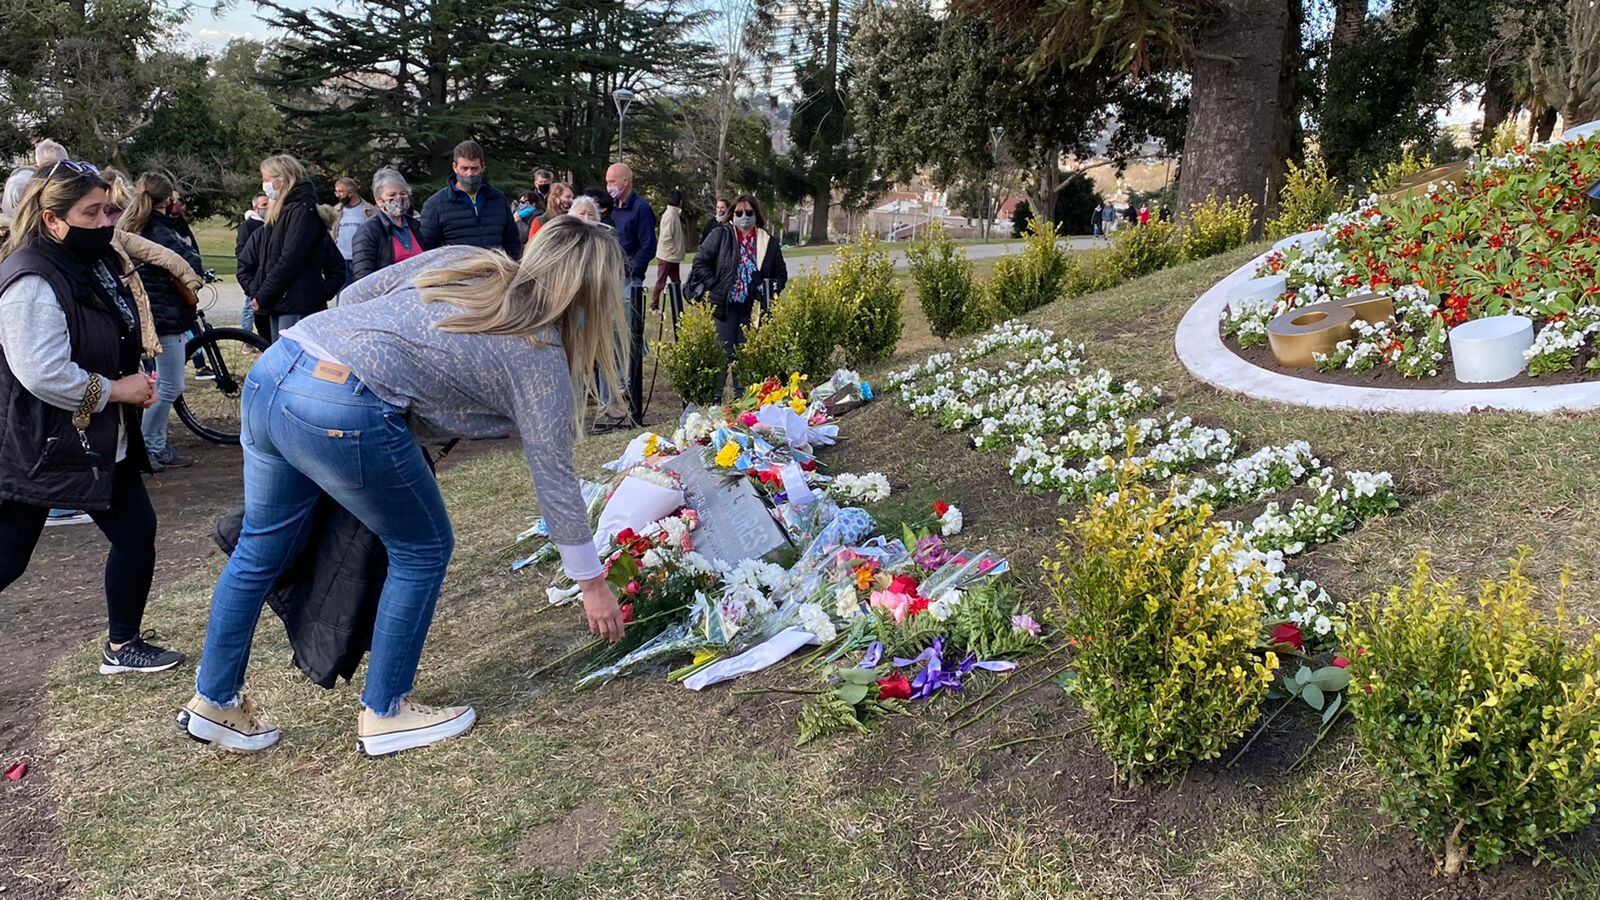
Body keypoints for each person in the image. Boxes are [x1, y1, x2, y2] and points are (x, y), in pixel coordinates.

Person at [178, 217, 628, 755]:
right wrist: (592, 584)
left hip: (278, 365)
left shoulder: (465, 260)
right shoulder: (538, 356)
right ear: (595, 295)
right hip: (342, 403)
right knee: (423, 546)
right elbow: (554, 478)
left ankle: (214, 699)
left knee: (260, 544)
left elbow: (351, 296)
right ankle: (386, 710)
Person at [0, 160, 186, 673]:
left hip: (93, 436)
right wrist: (115, 391)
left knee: (135, 532)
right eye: (92, 212)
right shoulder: (31, 278)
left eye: (108, 209)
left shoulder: (90, 261)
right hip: (40, 444)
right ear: (53, 220)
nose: (107, 221)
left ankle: (122, 647)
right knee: (8, 556)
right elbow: (44, 376)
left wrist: (123, 387)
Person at [117, 172, 205, 471]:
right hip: (167, 315)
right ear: (168, 198)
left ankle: (151, 444)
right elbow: (190, 262)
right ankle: (151, 446)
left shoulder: (134, 225)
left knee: (162, 383)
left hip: (152, 314)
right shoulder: (160, 229)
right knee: (170, 385)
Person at [685, 193, 788, 363]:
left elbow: (780, 274)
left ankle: (744, 390)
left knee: (747, 359)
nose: (744, 217)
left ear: (756, 214)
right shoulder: (720, 235)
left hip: (752, 308)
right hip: (723, 306)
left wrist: (769, 290)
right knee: (721, 358)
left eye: (749, 212)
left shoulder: (767, 242)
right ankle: (718, 390)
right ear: (732, 214)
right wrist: (715, 284)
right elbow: (700, 262)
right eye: (739, 213)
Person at [250, 155, 342, 343]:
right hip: (280, 302)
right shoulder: (281, 212)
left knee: (291, 358)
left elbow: (289, 260)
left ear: (281, 179)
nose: (264, 184)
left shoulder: (302, 211)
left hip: (296, 303)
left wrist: (316, 293)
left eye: (267, 179)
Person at [419, 140, 522, 257]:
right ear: (455, 167)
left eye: (474, 168)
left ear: (483, 167)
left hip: (496, 271)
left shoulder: (498, 199)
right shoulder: (435, 204)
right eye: (464, 168)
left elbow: (512, 242)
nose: (470, 174)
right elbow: (427, 252)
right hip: (456, 271)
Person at [351, 168, 424, 281]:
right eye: (392, 195)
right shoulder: (368, 232)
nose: (399, 199)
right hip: (388, 295)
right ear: (379, 200)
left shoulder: (415, 226)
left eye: (403, 193)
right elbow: (363, 278)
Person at [333, 177, 376, 284]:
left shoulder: (369, 210)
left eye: (341, 191)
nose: (338, 195)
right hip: (340, 258)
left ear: (351, 192)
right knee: (342, 292)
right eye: (336, 191)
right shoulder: (336, 210)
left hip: (360, 258)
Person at [653, 188, 687, 312]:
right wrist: (673, 251)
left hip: (672, 256)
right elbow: (666, 238)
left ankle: (678, 305)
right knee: (661, 282)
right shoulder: (671, 216)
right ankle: (654, 306)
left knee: (676, 281)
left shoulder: (673, 214)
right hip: (667, 256)